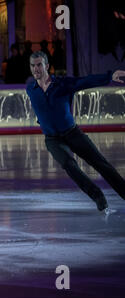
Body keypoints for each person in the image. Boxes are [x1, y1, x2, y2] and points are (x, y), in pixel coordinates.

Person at [26, 51, 125, 214]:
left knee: (100, 163)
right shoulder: (31, 89)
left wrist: (109, 76)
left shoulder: (62, 84)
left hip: (72, 133)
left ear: (47, 66)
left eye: (39, 65)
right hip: (53, 139)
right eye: (33, 65)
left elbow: (85, 81)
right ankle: (97, 196)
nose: (36, 68)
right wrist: (44, 122)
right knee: (68, 164)